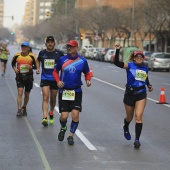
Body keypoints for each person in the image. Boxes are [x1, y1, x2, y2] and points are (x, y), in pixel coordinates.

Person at [114, 42, 153, 149]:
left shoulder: (145, 68)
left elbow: (145, 78)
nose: (139, 58)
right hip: (130, 94)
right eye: (137, 56)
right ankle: (126, 126)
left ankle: (137, 140)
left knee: (138, 116)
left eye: (141, 56)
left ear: (143, 58)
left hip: (141, 94)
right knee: (129, 117)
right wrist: (117, 50)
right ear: (134, 58)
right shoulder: (129, 66)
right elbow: (117, 62)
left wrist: (149, 85)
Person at [53, 40, 91, 145]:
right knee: (64, 116)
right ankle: (63, 127)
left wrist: (88, 80)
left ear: (76, 48)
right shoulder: (62, 59)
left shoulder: (82, 61)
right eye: (68, 46)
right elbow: (55, 71)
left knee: (75, 114)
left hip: (76, 91)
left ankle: (71, 136)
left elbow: (87, 72)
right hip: (64, 91)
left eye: (71, 46)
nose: (69, 48)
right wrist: (58, 81)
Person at [36, 36, 64, 126]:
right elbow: (38, 60)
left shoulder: (59, 53)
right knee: (45, 97)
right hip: (45, 78)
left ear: (54, 43)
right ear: (46, 44)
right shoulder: (42, 53)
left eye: (52, 42)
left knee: (53, 98)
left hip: (55, 80)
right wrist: (37, 68)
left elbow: (65, 62)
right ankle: (45, 117)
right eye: (48, 42)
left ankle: (51, 111)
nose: (50, 43)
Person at [11, 41, 37, 117]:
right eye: (22, 46)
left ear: (28, 48)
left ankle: (24, 107)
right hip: (20, 76)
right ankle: (19, 110)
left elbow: (36, 66)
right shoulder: (17, 55)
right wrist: (15, 68)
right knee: (20, 91)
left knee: (27, 94)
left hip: (29, 77)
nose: (24, 48)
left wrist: (31, 67)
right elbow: (12, 63)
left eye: (25, 47)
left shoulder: (32, 56)